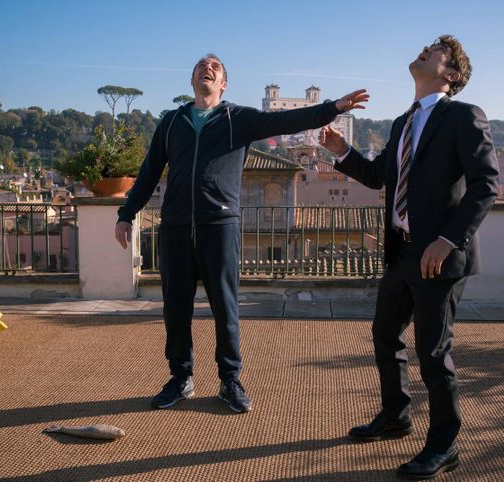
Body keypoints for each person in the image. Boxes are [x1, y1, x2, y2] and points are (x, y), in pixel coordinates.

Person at [115, 53, 368, 414]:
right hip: (174, 228)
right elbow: (149, 172)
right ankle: (180, 377)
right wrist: (127, 213)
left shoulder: (239, 119)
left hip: (219, 226)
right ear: (192, 80)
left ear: (224, 84)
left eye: (216, 67)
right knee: (175, 308)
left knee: (225, 307)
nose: (208, 69)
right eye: (202, 66)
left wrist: (332, 108)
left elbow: (287, 119)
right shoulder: (172, 122)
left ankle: (230, 379)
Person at [319, 35, 498, 479]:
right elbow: (381, 178)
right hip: (401, 252)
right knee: (385, 336)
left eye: (437, 50)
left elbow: (486, 185)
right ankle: (396, 415)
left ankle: (444, 444)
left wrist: (447, 240)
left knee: (432, 351)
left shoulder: (463, 116)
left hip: (439, 255)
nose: (425, 49)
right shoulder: (402, 123)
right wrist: (342, 153)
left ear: (451, 75)